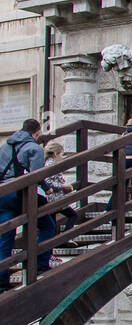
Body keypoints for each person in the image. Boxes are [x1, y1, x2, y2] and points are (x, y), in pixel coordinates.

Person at [0, 118, 57, 285]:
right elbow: (36, 175)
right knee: (48, 226)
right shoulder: (34, 148)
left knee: (5, 236)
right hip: (18, 194)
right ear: (37, 133)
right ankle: (39, 263)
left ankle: (2, 280)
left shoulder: (5, 146)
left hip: (2, 194)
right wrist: (47, 188)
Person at [42, 142, 79, 232]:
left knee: (52, 223)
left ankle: (53, 242)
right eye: (61, 154)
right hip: (55, 197)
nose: (62, 157)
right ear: (55, 154)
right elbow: (48, 182)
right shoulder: (52, 164)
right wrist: (62, 186)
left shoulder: (47, 163)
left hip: (51, 198)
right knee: (73, 215)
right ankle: (66, 236)